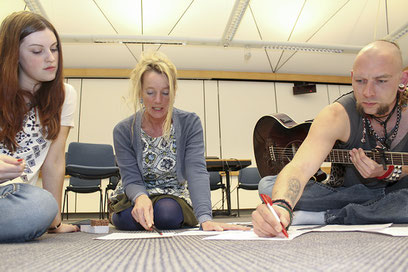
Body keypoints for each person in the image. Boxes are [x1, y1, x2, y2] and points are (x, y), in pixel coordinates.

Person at [252, 40, 408, 237]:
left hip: (398, 192)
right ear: (352, 77)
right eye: (360, 81)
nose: (368, 92)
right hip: (348, 194)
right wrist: (281, 207)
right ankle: (366, 213)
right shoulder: (336, 114)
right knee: (269, 185)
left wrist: (389, 173)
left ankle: (327, 217)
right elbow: (300, 167)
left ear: (403, 78)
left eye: (381, 81)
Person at [110, 52, 248, 231]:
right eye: (150, 93)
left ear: (174, 91)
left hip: (172, 196)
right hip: (134, 195)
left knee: (166, 213)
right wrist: (140, 198)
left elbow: (196, 170)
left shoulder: (190, 123)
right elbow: (131, 177)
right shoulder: (123, 130)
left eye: (165, 93)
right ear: (140, 92)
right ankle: (126, 213)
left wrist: (205, 218)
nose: (158, 100)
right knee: (130, 218)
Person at [0, 11, 79, 242]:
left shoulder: (65, 95)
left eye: (54, 49)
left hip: (13, 197)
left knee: (41, 206)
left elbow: (54, 161)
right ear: (13, 55)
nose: (51, 58)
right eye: (37, 51)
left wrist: (54, 222)